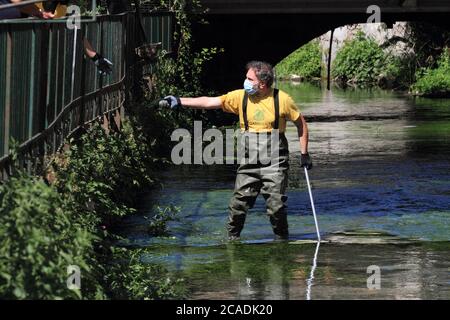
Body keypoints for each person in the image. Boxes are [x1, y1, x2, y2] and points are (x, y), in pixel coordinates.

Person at [161, 61, 313, 241]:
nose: (245, 81)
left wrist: (304, 153)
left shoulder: (283, 100)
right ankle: (232, 240)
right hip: (249, 160)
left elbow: (301, 124)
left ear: (262, 84)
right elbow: (210, 102)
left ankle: (282, 240)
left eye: (249, 79)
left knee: (276, 205)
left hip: (274, 161)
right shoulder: (240, 97)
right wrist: (179, 101)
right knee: (238, 204)